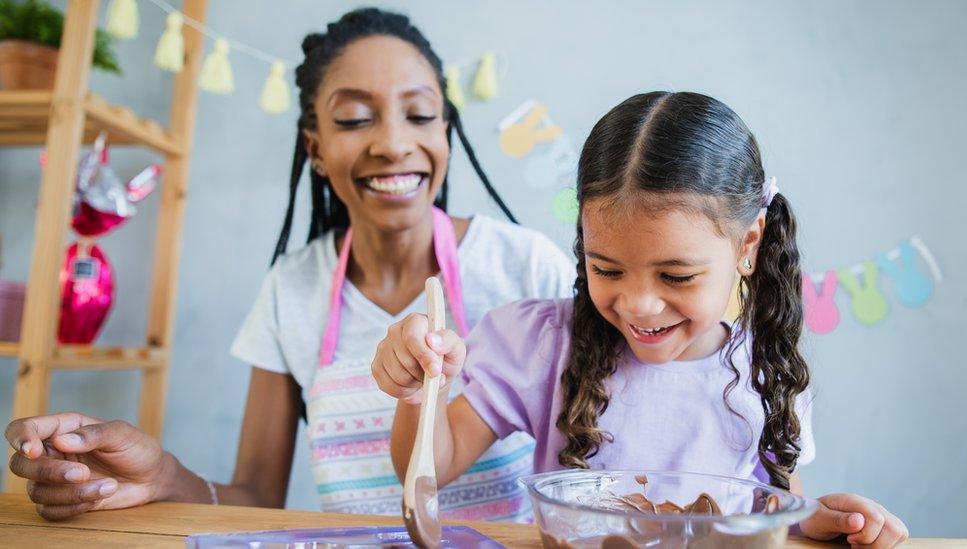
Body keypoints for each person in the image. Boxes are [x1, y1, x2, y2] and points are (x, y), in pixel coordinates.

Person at [5, 8, 574, 522]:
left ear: (445, 131)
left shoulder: (526, 267)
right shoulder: (291, 290)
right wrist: (161, 476)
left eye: (421, 113)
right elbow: (257, 495)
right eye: (353, 119)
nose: (394, 143)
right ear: (316, 150)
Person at [373, 91, 909, 547]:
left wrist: (809, 519)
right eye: (607, 269)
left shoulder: (767, 370)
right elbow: (429, 471)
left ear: (747, 245)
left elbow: (771, 508)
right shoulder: (543, 345)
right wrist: (422, 393)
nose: (638, 305)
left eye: (676, 276)